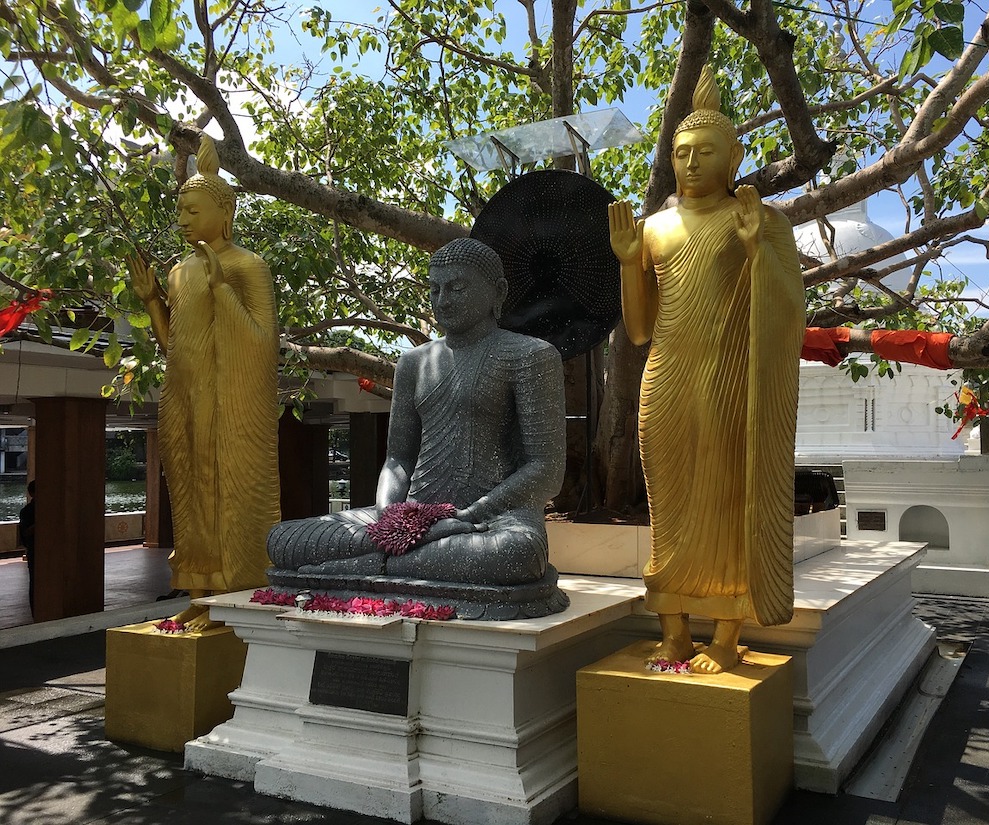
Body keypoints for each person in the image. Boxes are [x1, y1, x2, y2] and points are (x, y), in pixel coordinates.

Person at [608, 67, 805, 673]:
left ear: (734, 156)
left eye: (706, 152)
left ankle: (725, 633)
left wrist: (754, 249)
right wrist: (626, 263)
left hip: (729, 381)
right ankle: (673, 630)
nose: (691, 164)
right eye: (682, 153)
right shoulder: (655, 230)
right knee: (666, 510)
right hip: (666, 379)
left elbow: (789, 307)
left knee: (728, 501)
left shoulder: (763, 221)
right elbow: (639, 331)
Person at [268, 238, 567, 607]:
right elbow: (398, 459)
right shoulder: (414, 362)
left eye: (457, 288)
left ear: (497, 291)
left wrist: (470, 515)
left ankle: (372, 566)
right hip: (413, 516)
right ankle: (395, 557)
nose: (443, 301)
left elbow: (547, 469)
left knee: (514, 554)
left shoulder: (530, 356)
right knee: (282, 539)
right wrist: (389, 517)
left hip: (492, 521)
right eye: (435, 289)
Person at [129, 134, 280, 632]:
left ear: (224, 211)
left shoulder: (247, 266)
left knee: (227, 491)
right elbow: (177, 349)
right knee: (191, 494)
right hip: (185, 398)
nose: (184, 220)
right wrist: (153, 301)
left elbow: (262, 342)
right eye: (181, 210)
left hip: (229, 400)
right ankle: (199, 591)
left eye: (193, 211)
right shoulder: (177, 272)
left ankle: (235, 590)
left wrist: (222, 290)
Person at [18, 480, 35, 617]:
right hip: (35, 550)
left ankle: (36, 612)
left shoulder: (25, 511)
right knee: (35, 582)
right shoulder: (27, 512)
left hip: (33, 550)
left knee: (34, 582)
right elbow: (26, 532)